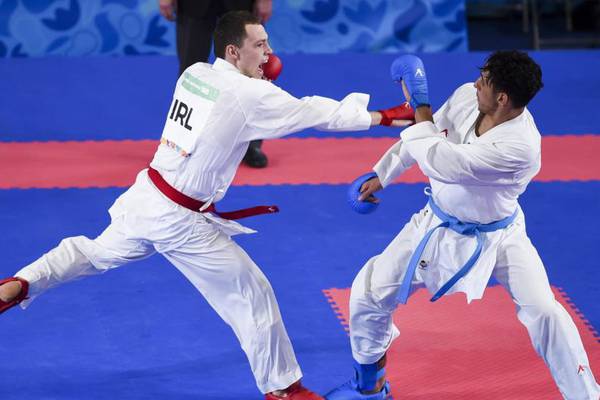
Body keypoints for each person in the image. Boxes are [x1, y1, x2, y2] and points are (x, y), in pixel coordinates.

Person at [0, 11, 413, 400]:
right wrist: (386, 117)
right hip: (179, 220)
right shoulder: (248, 94)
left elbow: (244, 102)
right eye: (260, 45)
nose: (269, 54)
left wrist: (262, 81)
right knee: (252, 293)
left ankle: (20, 284)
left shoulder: (195, 73)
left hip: (146, 196)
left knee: (93, 253)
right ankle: (283, 389)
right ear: (234, 52)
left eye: (268, 45)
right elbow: (314, 112)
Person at [325, 50, 600, 400]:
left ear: (503, 98)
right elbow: (430, 130)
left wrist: (419, 101)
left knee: (545, 312)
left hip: (499, 236)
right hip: (435, 222)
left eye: (483, 81)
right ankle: (370, 387)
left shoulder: (520, 147)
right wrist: (383, 173)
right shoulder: (466, 97)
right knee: (367, 293)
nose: (475, 84)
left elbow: (441, 160)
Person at [159, 0, 273, 168]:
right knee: (191, 75)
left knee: (250, 70)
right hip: (192, 6)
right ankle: (183, 143)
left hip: (241, 4)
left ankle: (251, 144)